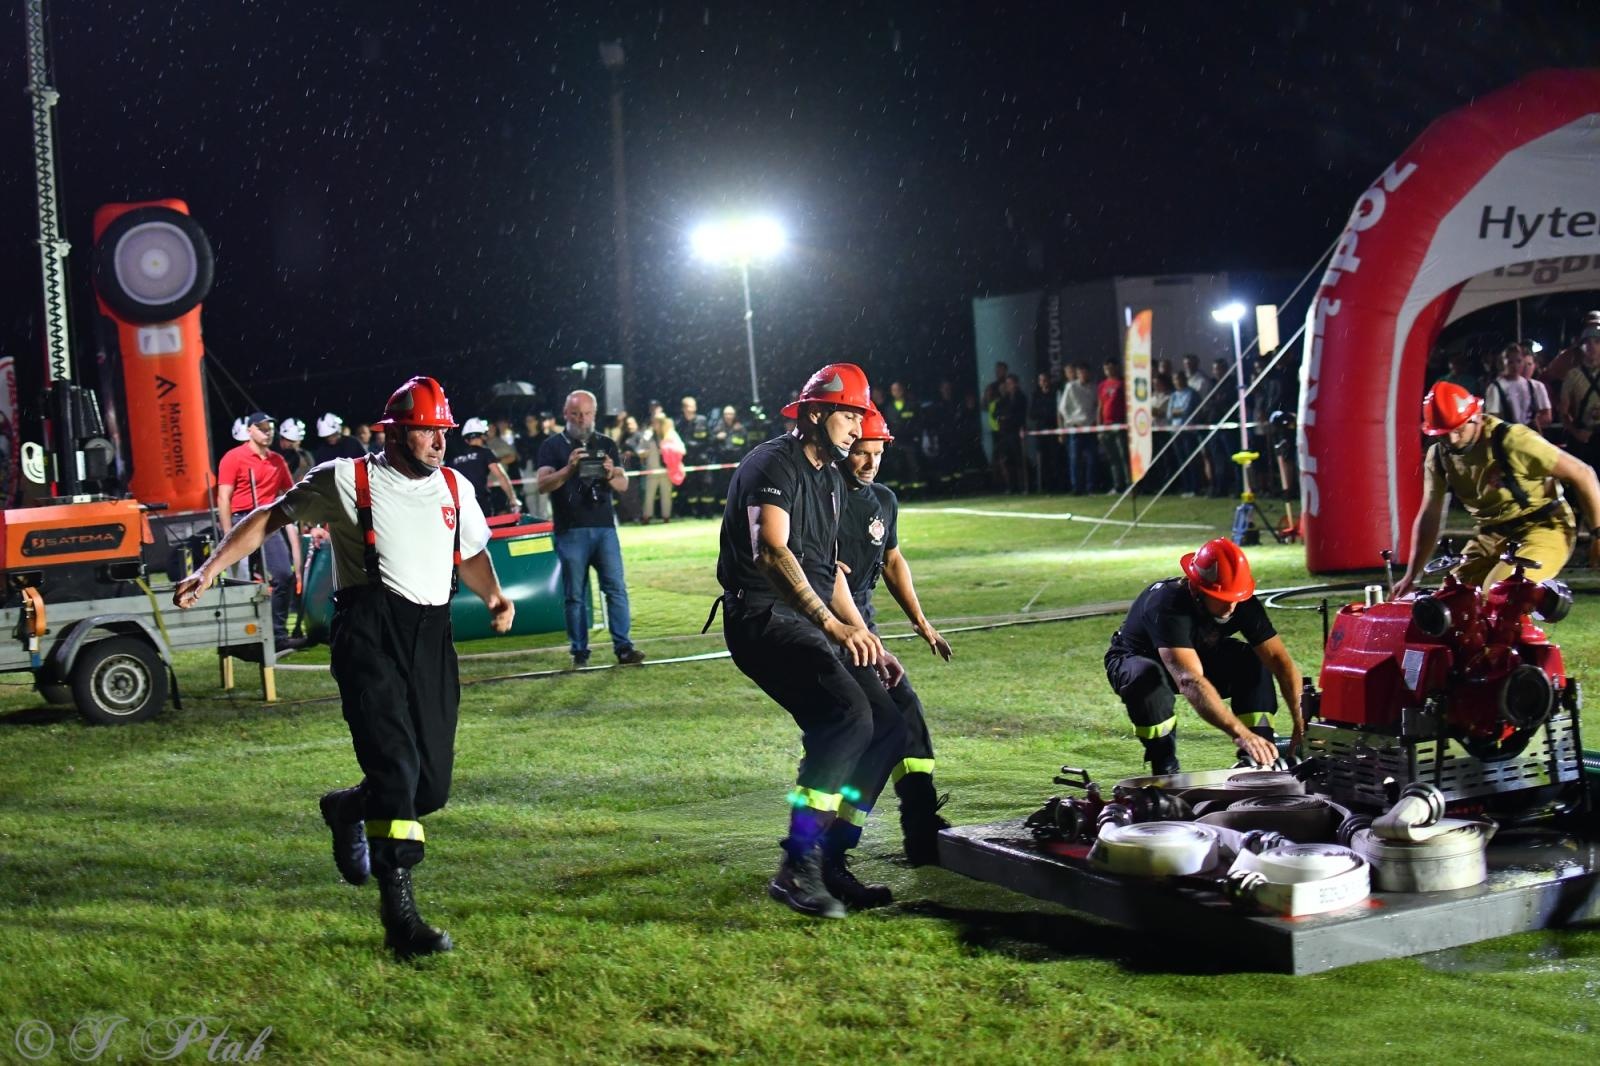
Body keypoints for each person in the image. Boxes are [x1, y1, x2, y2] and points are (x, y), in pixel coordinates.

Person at [174, 376, 514, 959]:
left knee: (428, 787)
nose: (439, 442)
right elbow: (268, 517)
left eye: (443, 431)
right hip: (367, 635)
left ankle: (347, 807)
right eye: (429, 432)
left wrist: (494, 596)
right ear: (398, 432)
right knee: (399, 772)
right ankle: (400, 916)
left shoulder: (456, 486)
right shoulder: (345, 478)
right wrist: (208, 570)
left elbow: (472, 551)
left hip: (432, 640)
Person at [714, 362, 902, 919]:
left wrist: (865, 635)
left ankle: (832, 861)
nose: (856, 427)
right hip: (762, 619)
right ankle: (796, 865)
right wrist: (833, 627)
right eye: (849, 415)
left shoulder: (830, 477)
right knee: (846, 717)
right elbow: (772, 552)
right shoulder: (773, 464)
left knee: (887, 724)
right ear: (816, 413)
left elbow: (828, 571)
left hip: (808, 617)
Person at [836, 405, 954, 866]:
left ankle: (920, 824)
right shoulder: (824, 497)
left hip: (866, 624)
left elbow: (892, 562)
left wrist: (921, 623)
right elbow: (823, 576)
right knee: (881, 725)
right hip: (831, 627)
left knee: (905, 713)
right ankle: (837, 841)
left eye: (877, 453)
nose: (869, 463)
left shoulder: (884, 500)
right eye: (860, 453)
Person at [1104, 538, 1301, 776]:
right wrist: (1241, 734)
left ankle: (1259, 755)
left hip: (1195, 655)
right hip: (1137, 659)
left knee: (1253, 660)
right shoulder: (1167, 605)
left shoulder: (1239, 601)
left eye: (1235, 598)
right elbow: (1189, 680)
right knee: (1147, 679)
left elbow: (1280, 661)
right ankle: (1164, 763)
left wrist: (1302, 726)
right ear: (1197, 589)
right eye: (1222, 599)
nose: (1230, 608)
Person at [1394, 382, 1600, 595]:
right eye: (1444, 433)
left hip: (1543, 527)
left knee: (1498, 593)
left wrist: (1598, 533)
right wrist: (1412, 575)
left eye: (1459, 429)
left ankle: (1534, 603)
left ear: (1477, 416)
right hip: (1490, 535)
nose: (1453, 440)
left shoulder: (1513, 440)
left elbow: (1583, 473)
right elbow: (1430, 515)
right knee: (1452, 599)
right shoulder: (1437, 456)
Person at [535, 390, 646, 669]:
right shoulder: (552, 445)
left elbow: (623, 485)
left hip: (604, 528)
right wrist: (569, 469)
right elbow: (542, 484)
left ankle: (624, 647)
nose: (581, 419)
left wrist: (610, 472)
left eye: (586, 413)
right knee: (575, 595)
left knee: (616, 589)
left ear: (594, 414)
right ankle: (579, 651)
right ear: (565, 414)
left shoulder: (606, 443)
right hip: (570, 529)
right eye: (575, 413)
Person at [215, 410, 301, 651]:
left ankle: (278, 635)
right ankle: (241, 638)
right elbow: (223, 497)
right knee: (239, 582)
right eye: (262, 428)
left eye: (270, 428)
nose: (268, 432)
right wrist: (227, 533)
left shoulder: (277, 461)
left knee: (283, 574)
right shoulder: (233, 458)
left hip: (268, 520)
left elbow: (290, 493)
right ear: (249, 430)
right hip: (242, 521)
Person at [449, 417, 520, 517]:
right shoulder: (485, 453)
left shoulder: (454, 458)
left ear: (465, 440)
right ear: (483, 437)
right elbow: (501, 476)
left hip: (460, 505)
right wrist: (513, 499)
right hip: (480, 504)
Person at [1560, 325, 1600, 471]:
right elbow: (1563, 412)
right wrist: (1576, 433)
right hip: (1583, 437)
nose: (1592, 346)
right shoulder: (1573, 375)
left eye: (1597, 341)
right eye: (1587, 342)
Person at [1483, 343, 1550, 429]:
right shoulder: (1495, 387)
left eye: (1518, 361)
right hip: (1508, 435)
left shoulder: (1529, 385)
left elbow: (1544, 416)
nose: (1515, 366)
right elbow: (1492, 419)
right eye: (1510, 362)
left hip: (1530, 435)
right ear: (1503, 363)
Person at [1056, 362, 1096, 495]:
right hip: (1076, 427)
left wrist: (1094, 421)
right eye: (1080, 373)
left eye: (1085, 372)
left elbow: (1097, 405)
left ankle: (1091, 487)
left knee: (1091, 459)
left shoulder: (1093, 387)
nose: (1083, 375)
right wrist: (1070, 422)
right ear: (1077, 374)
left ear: (1089, 373)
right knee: (1075, 459)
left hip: (1090, 427)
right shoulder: (1071, 386)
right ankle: (1077, 488)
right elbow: (1063, 408)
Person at [1097, 360, 1129, 494]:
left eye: (1110, 368)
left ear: (1116, 368)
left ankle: (1130, 485)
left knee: (1123, 456)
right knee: (1112, 457)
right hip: (1106, 425)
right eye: (1106, 368)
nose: (1108, 371)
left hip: (1120, 423)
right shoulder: (1102, 385)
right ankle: (1118, 485)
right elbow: (1100, 406)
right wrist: (1099, 426)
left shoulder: (1122, 384)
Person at [276, 417, 314, 483]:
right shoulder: (273, 453)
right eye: (292, 441)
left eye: (299, 441)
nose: (298, 443)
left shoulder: (305, 456)